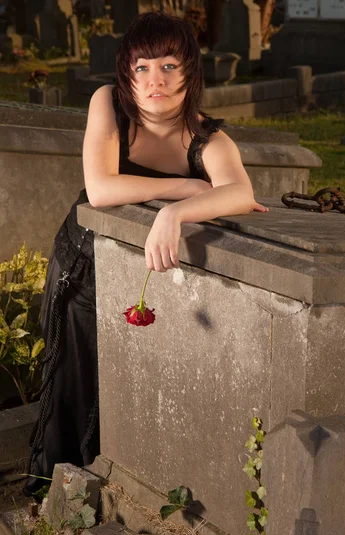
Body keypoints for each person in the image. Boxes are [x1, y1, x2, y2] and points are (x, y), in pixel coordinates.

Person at [24, 11, 268, 496]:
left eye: (169, 66)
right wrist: (183, 189)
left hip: (145, 279)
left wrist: (172, 215)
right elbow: (99, 187)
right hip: (82, 268)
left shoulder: (208, 138)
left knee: (131, 392)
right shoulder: (108, 106)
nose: (155, 79)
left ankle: (119, 491)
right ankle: (54, 495)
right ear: (126, 75)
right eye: (142, 68)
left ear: (189, 73)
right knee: (74, 386)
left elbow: (241, 192)